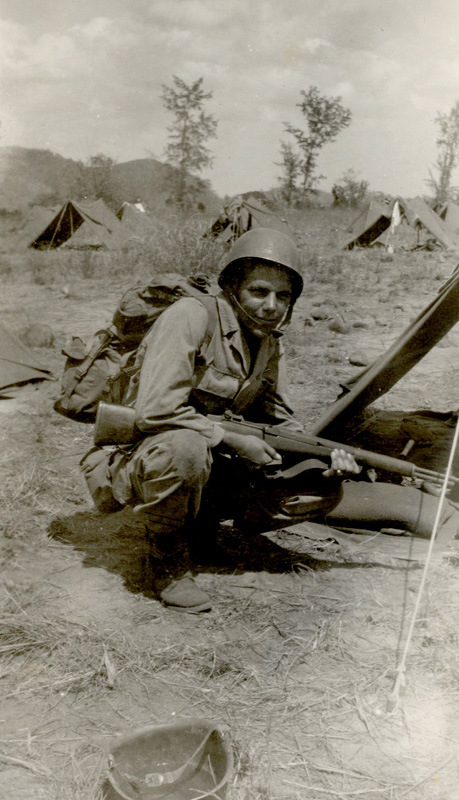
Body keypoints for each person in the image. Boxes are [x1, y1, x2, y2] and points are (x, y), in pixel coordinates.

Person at [81, 228, 360, 613]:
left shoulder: (267, 342)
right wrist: (232, 439)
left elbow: (279, 420)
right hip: (139, 454)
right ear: (231, 287)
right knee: (186, 446)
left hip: (206, 457)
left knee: (322, 489)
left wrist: (324, 462)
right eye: (259, 291)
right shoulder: (191, 316)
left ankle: (200, 531)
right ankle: (166, 559)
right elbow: (156, 411)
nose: (271, 305)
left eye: (283, 296)